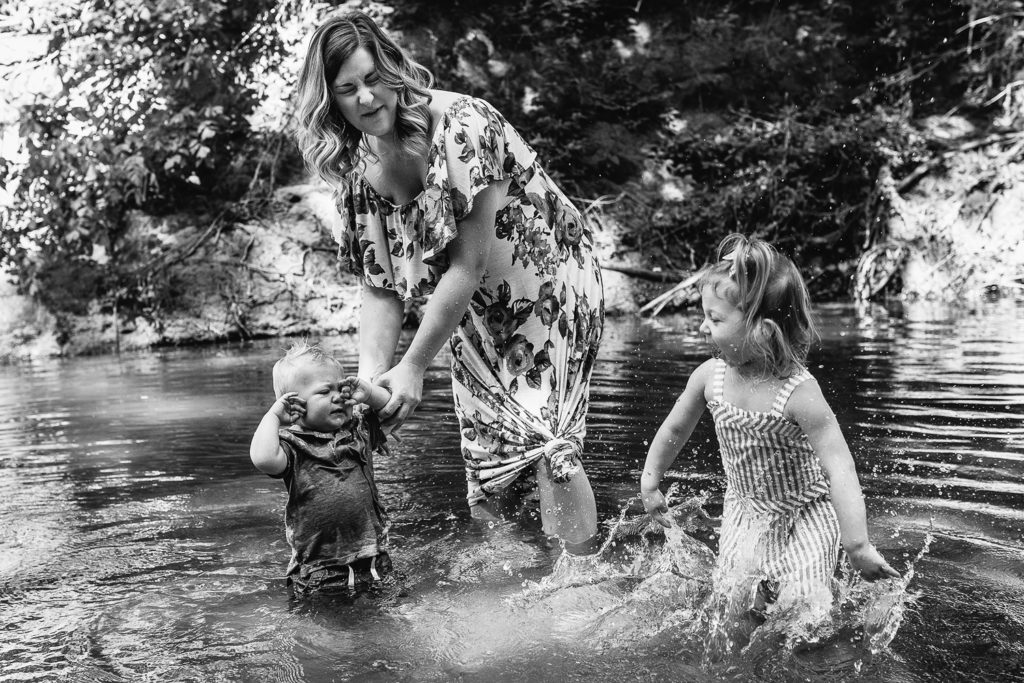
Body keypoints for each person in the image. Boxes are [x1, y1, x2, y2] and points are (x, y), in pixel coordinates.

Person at [294, 12, 605, 551]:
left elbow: (467, 264)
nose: (367, 99)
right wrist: (375, 381)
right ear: (330, 102)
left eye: (374, 79)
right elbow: (380, 287)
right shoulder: (357, 171)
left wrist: (413, 365)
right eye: (348, 90)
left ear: (393, 68)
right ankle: (513, 585)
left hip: (550, 286)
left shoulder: (464, 125)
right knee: (489, 463)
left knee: (545, 440)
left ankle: (581, 582)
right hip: (469, 309)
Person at [639, 234, 899, 628]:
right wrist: (650, 480)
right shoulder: (711, 377)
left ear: (762, 331)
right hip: (745, 513)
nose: (703, 327)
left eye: (716, 319)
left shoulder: (799, 394)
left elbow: (840, 469)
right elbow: (676, 426)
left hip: (805, 517)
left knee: (804, 615)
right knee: (732, 609)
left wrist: (857, 544)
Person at [249, 341, 394, 595]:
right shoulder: (293, 446)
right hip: (320, 569)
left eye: (341, 388)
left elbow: (390, 408)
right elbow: (263, 459)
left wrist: (368, 393)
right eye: (325, 392)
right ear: (294, 405)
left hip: (373, 557)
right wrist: (273, 417)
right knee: (327, 629)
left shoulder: (358, 430)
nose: (338, 397)